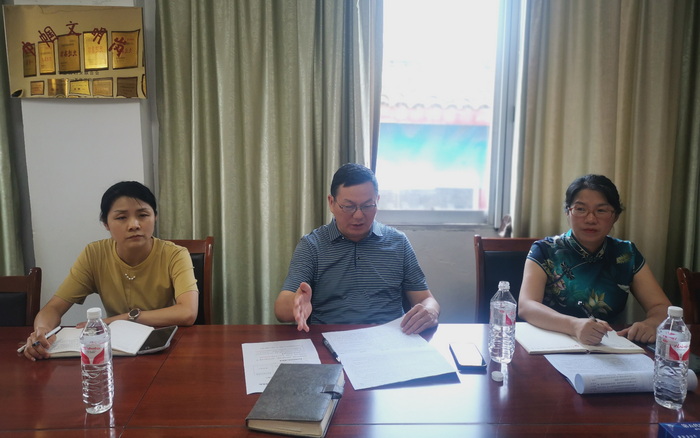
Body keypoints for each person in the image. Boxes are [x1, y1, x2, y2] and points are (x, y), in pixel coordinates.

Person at [22, 181, 199, 361]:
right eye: (121, 217)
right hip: (117, 352)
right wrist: (42, 331)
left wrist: (118, 319)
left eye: (143, 215)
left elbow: (187, 312)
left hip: (165, 347)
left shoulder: (175, 254)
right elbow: (53, 307)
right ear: (106, 223)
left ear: (155, 217)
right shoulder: (94, 254)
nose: (134, 225)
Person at [274, 163, 440, 335]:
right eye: (349, 206)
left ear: (377, 201)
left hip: (390, 340)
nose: (359, 215)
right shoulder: (312, 245)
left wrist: (430, 311)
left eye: (368, 205)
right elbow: (281, 311)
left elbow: (426, 299)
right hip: (330, 340)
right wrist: (297, 303)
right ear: (331, 203)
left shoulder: (398, 242)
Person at [518, 174, 671, 345]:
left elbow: (661, 307)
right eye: (580, 209)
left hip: (608, 346)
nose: (590, 219)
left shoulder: (626, 254)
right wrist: (573, 325)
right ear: (568, 212)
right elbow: (527, 305)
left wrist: (651, 324)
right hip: (550, 343)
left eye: (601, 211)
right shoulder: (545, 250)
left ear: (615, 216)